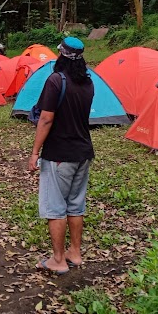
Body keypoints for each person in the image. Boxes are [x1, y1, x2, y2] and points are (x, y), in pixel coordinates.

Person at [27, 36, 95, 275]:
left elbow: (46, 118)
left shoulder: (56, 80)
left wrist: (35, 152)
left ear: (61, 55)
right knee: (75, 205)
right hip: (83, 152)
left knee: (55, 207)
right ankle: (75, 253)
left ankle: (58, 259)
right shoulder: (88, 82)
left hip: (59, 154)